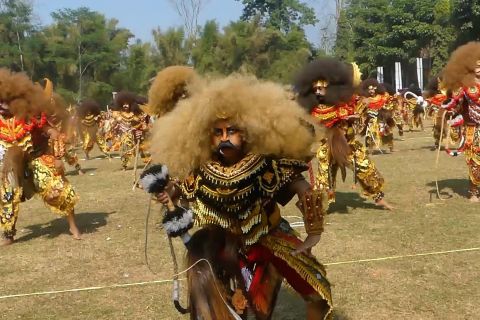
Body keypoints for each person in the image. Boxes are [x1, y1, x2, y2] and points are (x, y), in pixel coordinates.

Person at [148, 75, 333, 319]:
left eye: (232, 130)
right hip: (222, 245)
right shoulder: (201, 168)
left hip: (268, 236)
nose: (224, 137)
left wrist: (313, 232)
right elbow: (181, 190)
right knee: (232, 306)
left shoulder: (266, 163)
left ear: (247, 131)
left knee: (318, 292)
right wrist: (169, 192)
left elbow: (300, 187)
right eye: (218, 132)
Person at [294, 58, 393, 210]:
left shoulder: (347, 100)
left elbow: (361, 106)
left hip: (350, 144)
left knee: (365, 167)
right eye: (316, 89)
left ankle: (379, 198)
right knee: (324, 175)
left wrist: (357, 114)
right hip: (327, 147)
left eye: (322, 88)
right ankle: (320, 206)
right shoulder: (315, 108)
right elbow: (317, 120)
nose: (318, 91)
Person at [0, 68, 81, 245]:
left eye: (7, 100)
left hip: (35, 159)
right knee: (6, 194)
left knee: (58, 187)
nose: (3, 105)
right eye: (1, 101)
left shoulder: (29, 116)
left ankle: (73, 226)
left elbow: (51, 131)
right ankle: (8, 234)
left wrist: (58, 150)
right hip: (10, 166)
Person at [441, 41, 480, 202]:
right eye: (477, 65)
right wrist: (447, 108)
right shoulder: (466, 86)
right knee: (474, 160)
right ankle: (474, 191)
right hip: (473, 129)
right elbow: (454, 103)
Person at [110, 91, 150, 170]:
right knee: (125, 148)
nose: (125, 106)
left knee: (143, 148)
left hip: (136, 134)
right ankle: (125, 165)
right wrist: (114, 124)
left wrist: (140, 128)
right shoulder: (118, 113)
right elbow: (114, 125)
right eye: (124, 104)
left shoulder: (135, 114)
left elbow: (142, 123)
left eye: (127, 104)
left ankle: (148, 163)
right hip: (125, 135)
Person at [359, 79, 396, 153]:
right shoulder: (366, 100)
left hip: (382, 119)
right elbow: (361, 111)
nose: (371, 91)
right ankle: (370, 149)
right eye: (369, 90)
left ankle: (391, 147)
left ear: (376, 88)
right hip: (372, 120)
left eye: (372, 89)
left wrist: (387, 109)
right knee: (370, 133)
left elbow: (390, 102)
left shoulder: (382, 96)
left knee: (387, 132)